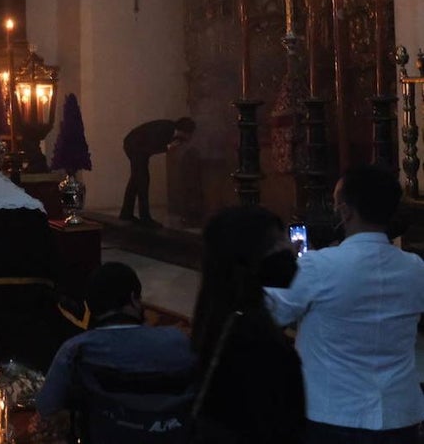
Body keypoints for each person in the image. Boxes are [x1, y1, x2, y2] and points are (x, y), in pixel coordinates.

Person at [266, 165, 424, 443]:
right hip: (401, 413)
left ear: (346, 211)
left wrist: (280, 264)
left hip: (334, 413)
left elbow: (271, 312)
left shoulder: (318, 266)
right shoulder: (415, 268)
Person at [33, 262, 195, 436]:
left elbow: (46, 406)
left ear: (91, 306)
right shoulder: (179, 341)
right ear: (133, 298)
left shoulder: (76, 349)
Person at [191, 205, 305, 443]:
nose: (290, 250)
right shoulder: (253, 336)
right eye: (277, 243)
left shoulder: (218, 313)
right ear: (249, 258)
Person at [119, 117, 195, 226]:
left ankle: (126, 213)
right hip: (135, 146)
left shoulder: (169, 128)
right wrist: (168, 147)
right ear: (186, 132)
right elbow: (151, 146)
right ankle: (144, 218)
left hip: (137, 146)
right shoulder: (166, 129)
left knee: (136, 180)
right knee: (142, 181)